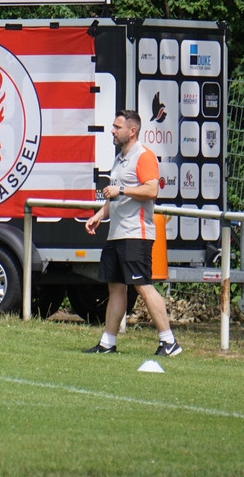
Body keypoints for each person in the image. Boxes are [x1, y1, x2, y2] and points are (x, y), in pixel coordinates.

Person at [84, 109, 181, 356]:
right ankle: (107, 343)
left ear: (132, 131)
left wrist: (122, 190)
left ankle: (169, 342)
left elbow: (151, 190)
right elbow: (115, 196)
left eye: (117, 127)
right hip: (116, 234)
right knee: (115, 288)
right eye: (113, 126)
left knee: (143, 286)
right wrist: (99, 215)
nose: (112, 131)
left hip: (136, 235)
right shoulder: (120, 158)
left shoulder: (144, 155)